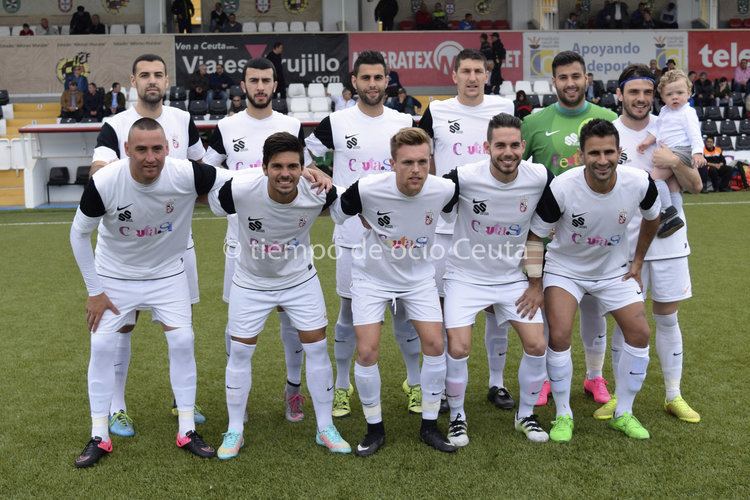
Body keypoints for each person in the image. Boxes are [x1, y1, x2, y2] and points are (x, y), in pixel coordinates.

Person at [70, 118, 225, 468]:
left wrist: (304, 174)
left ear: (168, 149)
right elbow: (78, 235)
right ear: (127, 150)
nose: (150, 157)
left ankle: (186, 429)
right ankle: (99, 434)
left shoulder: (185, 173)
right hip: (115, 276)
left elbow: (236, 180)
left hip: (167, 275)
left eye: (157, 148)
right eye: (141, 149)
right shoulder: (106, 181)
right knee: (102, 344)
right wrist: (95, 291)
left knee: (183, 340)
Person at [209, 132, 350, 459]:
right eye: (277, 167)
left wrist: (330, 181)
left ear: (304, 167)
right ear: (264, 167)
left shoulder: (318, 191)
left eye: (293, 166)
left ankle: (325, 427)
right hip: (251, 281)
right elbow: (211, 197)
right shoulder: (241, 189)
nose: (285, 173)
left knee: (316, 347)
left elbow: (353, 204)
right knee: (240, 352)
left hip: (299, 280)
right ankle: (235, 429)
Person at [90, 54, 208, 437]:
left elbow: (199, 170)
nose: (152, 81)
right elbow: (99, 174)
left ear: (167, 79)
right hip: (129, 249)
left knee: (180, 328)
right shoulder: (115, 125)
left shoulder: (182, 120)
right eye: (144, 75)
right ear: (132, 80)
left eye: (158, 74)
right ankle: (118, 407)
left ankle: (182, 403)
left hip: (176, 246)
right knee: (122, 327)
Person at [305, 51, 419, 419]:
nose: (372, 84)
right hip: (353, 235)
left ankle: (414, 381)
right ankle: (342, 386)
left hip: (399, 236)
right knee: (349, 311)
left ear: (387, 80)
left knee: (404, 313)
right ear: (354, 81)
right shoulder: (336, 122)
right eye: (365, 78)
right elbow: (301, 156)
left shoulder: (404, 121)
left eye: (378, 78)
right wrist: (318, 175)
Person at [203, 59, 318, 424]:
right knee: (236, 326)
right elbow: (208, 173)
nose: (260, 87)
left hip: (288, 242)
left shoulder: (291, 125)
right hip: (240, 241)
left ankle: (293, 391)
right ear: (243, 85)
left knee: (293, 323)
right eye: (253, 80)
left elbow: (307, 170)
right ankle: (239, 395)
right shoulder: (225, 127)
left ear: (274, 84)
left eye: (266, 80)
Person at [531, 118, 660, 442]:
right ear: (581, 155)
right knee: (558, 335)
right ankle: (563, 414)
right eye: (594, 153)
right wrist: (535, 283)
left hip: (613, 270)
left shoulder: (640, 182)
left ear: (619, 152)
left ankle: (624, 412)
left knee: (639, 332)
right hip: (565, 269)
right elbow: (535, 236)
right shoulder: (562, 186)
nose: (602, 161)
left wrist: (639, 259)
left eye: (608, 152)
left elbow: (653, 217)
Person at [331, 127, 457, 456]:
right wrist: (361, 213)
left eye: (422, 162)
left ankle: (430, 425)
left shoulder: (443, 188)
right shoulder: (368, 189)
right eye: (407, 163)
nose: (416, 170)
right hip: (371, 277)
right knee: (368, 351)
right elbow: (337, 211)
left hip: (417, 277)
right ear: (392, 163)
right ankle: (375, 429)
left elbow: (459, 207)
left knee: (434, 343)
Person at [593, 63, 702, 424]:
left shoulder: (668, 123)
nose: (640, 99)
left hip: (669, 241)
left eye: (645, 92)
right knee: (626, 322)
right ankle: (621, 398)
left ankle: (674, 395)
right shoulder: (608, 133)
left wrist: (674, 160)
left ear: (653, 95)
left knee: (667, 319)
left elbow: (695, 185)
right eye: (633, 92)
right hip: (624, 246)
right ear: (619, 95)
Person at [442, 113, 553, 446]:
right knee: (459, 347)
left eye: (515, 145)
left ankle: (526, 414)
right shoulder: (462, 177)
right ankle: (458, 416)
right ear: (487, 146)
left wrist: (536, 284)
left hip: (511, 279)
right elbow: (423, 195)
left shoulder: (540, 177)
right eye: (500, 145)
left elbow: (541, 229)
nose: (509, 152)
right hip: (465, 277)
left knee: (537, 344)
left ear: (523, 146)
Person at [418, 49, 515, 411]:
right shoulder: (437, 111)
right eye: (466, 71)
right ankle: (444, 386)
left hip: (495, 226)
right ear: (454, 75)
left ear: (487, 76)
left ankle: (496, 382)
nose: (473, 78)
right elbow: (421, 155)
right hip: (446, 227)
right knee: (444, 308)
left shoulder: (502, 107)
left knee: (496, 307)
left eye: (479, 71)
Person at [521, 51, 618, 406]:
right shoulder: (534, 122)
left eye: (576, 76)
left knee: (595, 309)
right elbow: (519, 169)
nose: (570, 83)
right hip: (551, 233)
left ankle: (595, 377)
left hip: (599, 234)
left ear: (586, 78)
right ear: (554, 82)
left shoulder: (607, 118)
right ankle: (547, 376)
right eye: (563, 77)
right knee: (550, 309)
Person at [637, 70, 706, 238]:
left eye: (680, 93)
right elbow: (657, 128)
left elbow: (695, 134)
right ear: (662, 97)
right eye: (670, 94)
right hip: (671, 150)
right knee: (673, 185)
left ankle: (667, 210)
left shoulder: (687, 113)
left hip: (679, 151)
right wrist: (647, 141)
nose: (675, 97)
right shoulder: (665, 111)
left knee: (655, 178)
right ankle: (676, 217)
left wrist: (698, 152)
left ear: (689, 93)